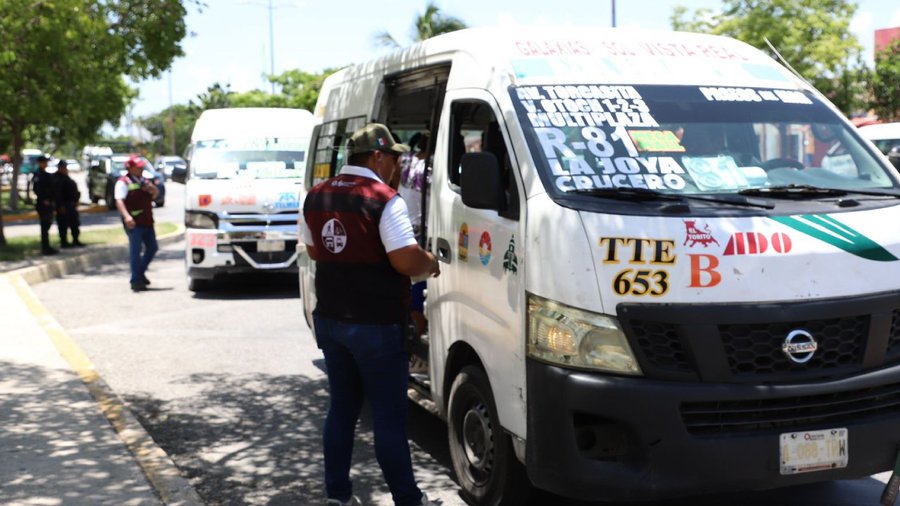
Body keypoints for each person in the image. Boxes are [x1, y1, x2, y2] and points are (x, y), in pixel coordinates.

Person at [302, 123, 441, 506]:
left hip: (331, 321)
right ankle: (409, 500)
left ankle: (338, 496)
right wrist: (430, 262)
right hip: (376, 326)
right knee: (389, 418)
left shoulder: (316, 196)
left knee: (342, 409)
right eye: (395, 158)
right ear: (377, 156)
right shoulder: (384, 199)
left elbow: (315, 251)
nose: (398, 166)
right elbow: (404, 260)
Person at [396, 132, 431, 374]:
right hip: (421, 236)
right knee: (420, 295)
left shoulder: (405, 161)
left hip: (401, 231)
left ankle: (405, 350)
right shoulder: (431, 169)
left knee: (409, 294)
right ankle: (411, 354)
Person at [114, 154, 158, 292]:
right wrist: (127, 217)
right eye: (138, 167)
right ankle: (136, 280)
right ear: (130, 168)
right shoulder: (123, 182)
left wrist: (153, 189)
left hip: (147, 221)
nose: (141, 169)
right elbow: (119, 201)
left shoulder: (144, 180)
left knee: (152, 248)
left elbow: (155, 195)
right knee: (135, 251)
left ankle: (139, 273)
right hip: (134, 222)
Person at [31, 154, 58, 255]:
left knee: (48, 224)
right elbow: (37, 189)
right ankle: (45, 248)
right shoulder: (38, 174)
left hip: (49, 203)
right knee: (45, 226)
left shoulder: (45, 174)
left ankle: (47, 247)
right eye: (44, 162)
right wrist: (44, 200)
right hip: (43, 204)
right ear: (39, 163)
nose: (46, 164)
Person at [54, 159, 84, 248]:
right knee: (63, 225)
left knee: (75, 223)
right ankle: (64, 242)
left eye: (65, 167)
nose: (65, 169)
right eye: (63, 167)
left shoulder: (67, 177)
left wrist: (76, 200)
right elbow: (57, 194)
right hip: (64, 205)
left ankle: (76, 240)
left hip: (72, 204)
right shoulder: (56, 178)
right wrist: (60, 206)